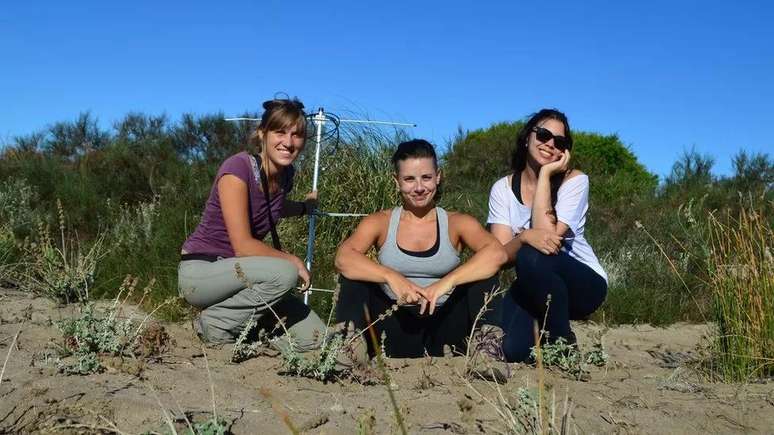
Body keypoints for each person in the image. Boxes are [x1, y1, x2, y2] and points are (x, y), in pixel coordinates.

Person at [334, 139, 508, 358]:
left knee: (485, 274)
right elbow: (343, 258)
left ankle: (487, 350)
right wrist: (390, 276)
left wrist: (447, 282)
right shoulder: (380, 222)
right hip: (393, 324)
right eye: (409, 179)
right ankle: (348, 347)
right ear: (396, 182)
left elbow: (497, 253)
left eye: (426, 177)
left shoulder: (457, 222)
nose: (418, 188)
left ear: (438, 177)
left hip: (445, 328)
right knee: (354, 275)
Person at [178, 97, 324, 353]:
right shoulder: (238, 168)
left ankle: (257, 338)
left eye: (297, 135)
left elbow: (273, 208)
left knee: (315, 337)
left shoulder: (286, 175)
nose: (288, 143)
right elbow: (243, 245)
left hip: (244, 279)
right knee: (284, 273)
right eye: (280, 132)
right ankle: (215, 324)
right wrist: (293, 259)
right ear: (262, 134)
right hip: (203, 271)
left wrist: (303, 207)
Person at [487, 109, 608, 362]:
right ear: (526, 137)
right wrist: (522, 238)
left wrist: (545, 175)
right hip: (533, 282)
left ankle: (562, 344)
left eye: (560, 142)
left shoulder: (575, 181)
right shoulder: (503, 189)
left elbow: (547, 240)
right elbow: (500, 256)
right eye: (543, 135)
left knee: (533, 254)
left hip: (583, 283)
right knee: (513, 351)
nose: (550, 144)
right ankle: (550, 334)